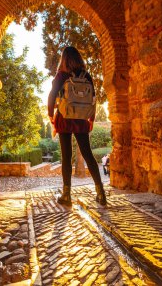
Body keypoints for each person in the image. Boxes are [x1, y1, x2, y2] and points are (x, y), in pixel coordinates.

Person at [48, 46, 107, 206]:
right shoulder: (86, 76)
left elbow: (52, 95)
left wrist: (50, 115)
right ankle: (101, 193)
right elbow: (93, 98)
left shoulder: (62, 75)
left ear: (65, 59)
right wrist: (91, 119)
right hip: (81, 119)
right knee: (88, 154)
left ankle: (66, 195)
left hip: (64, 118)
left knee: (66, 157)